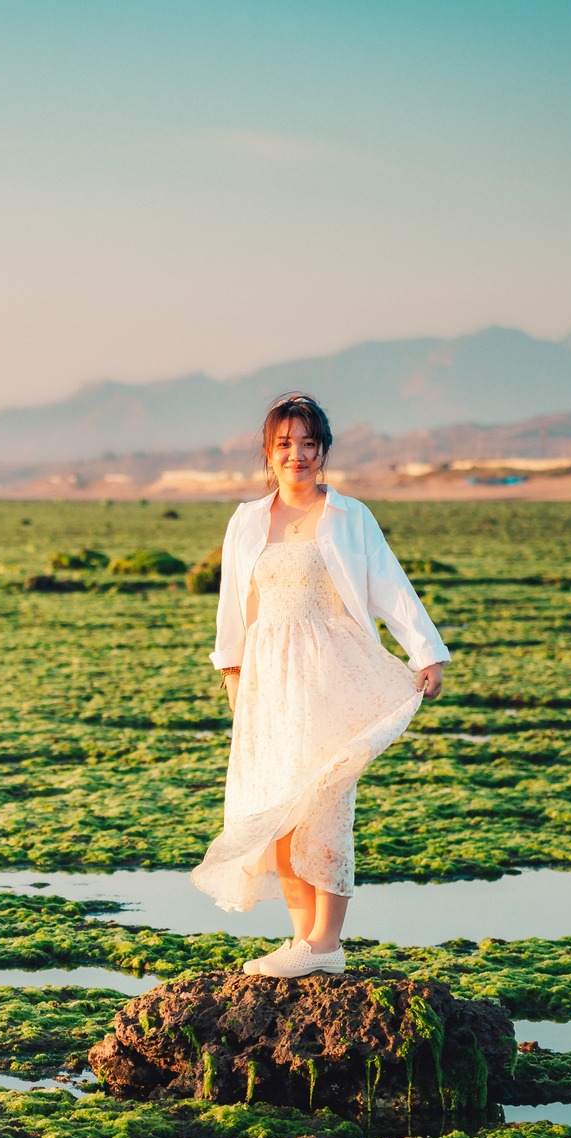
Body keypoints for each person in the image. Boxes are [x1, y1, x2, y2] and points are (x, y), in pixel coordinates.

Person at [190, 394, 449, 979]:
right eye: (286, 445)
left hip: (331, 673)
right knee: (278, 808)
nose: (298, 456)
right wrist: (231, 671)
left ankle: (327, 943)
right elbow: (236, 604)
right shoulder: (247, 521)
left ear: (324, 451)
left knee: (326, 805)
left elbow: (390, 586)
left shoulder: (350, 516)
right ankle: (301, 941)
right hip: (268, 681)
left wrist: (426, 652)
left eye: (309, 444)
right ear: (269, 453)